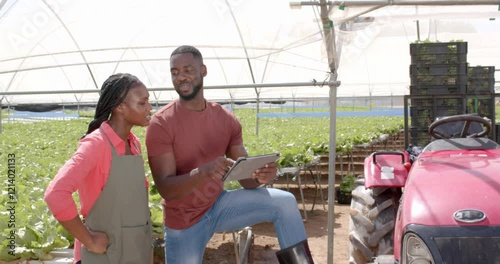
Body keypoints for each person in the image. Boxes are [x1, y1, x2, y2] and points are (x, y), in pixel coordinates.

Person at [145, 45, 314, 264]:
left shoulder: (226, 120)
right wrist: (202, 172)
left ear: (203, 70)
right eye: (175, 72)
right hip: (184, 221)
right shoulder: (162, 123)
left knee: (284, 202)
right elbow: (166, 189)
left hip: (219, 206)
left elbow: (246, 180)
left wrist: (260, 176)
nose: (181, 77)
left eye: (188, 70)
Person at [44, 73, 153, 264]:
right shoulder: (96, 145)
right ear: (120, 107)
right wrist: (90, 240)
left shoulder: (133, 143)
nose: (149, 108)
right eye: (142, 103)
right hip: (104, 257)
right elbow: (55, 194)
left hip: (133, 251)